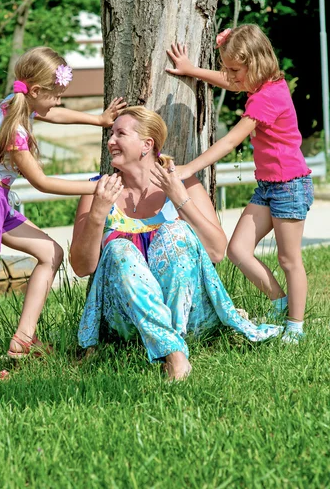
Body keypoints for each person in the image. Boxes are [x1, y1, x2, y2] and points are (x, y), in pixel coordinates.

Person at [70, 106, 282, 381]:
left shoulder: (182, 182)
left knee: (177, 232)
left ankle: (171, 347)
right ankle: (175, 355)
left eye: (119, 134)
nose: (110, 141)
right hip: (126, 324)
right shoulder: (99, 189)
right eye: (111, 134)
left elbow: (217, 251)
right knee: (119, 249)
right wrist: (98, 214)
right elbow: (82, 267)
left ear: (147, 144)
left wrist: (179, 198)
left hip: (188, 319)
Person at [0, 46, 126, 382]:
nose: (57, 102)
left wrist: (99, 120)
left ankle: (22, 340)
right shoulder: (15, 129)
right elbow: (43, 183)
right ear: (36, 91)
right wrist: (96, 187)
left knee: (52, 253)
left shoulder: (16, 102)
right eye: (56, 96)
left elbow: (52, 115)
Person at [165, 24, 313, 344]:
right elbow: (230, 83)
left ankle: (296, 326)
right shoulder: (263, 86)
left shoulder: (266, 99)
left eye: (235, 69)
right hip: (269, 187)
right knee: (237, 250)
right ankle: (279, 302)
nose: (230, 76)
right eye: (227, 69)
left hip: (290, 186)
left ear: (254, 64)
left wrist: (188, 168)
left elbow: (231, 140)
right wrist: (192, 70)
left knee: (289, 260)